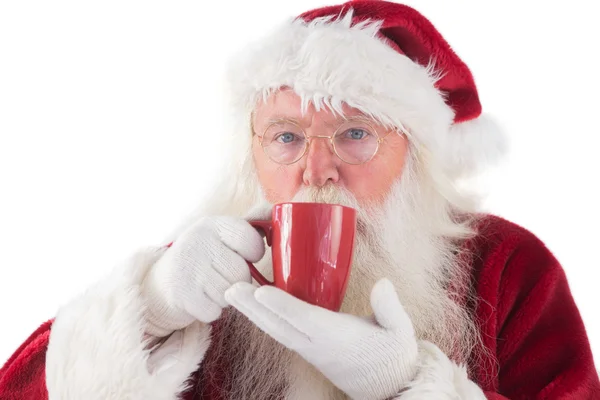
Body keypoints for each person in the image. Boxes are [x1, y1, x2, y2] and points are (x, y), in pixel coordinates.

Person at [1, 1, 598, 399]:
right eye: (286, 137)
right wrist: (150, 310)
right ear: (253, 152)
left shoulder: (511, 268)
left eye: (355, 134)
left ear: (415, 154)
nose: (317, 169)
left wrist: (405, 383)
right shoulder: (206, 270)